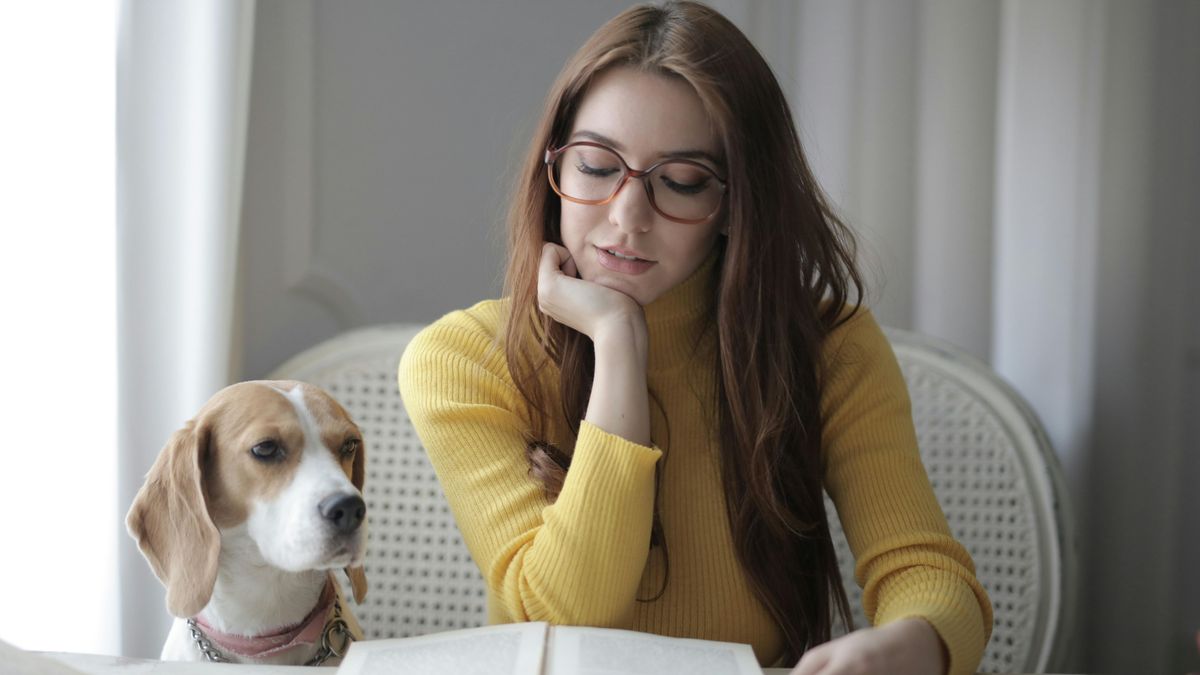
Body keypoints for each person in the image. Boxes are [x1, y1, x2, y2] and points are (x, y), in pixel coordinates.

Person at [398, 3, 991, 674]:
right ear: (553, 169)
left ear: (738, 203)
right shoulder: (463, 360)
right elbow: (564, 618)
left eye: (681, 182)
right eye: (596, 166)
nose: (627, 217)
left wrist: (907, 643)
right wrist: (620, 342)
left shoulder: (829, 347)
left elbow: (928, 573)